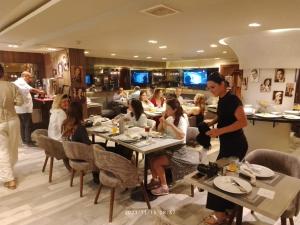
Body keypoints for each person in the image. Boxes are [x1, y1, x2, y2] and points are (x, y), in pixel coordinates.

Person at [204, 72, 248, 225]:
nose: (211, 90)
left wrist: (219, 131)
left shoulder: (233, 99)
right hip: (227, 145)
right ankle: (227, 209)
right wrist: (212, 122)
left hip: (236, 146)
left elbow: (243, 122)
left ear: (223, 84)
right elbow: (224, 117)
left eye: (213, 87)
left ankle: (220, 214)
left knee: (218, 175)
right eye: (209, 88)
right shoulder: (222, 100)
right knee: (227, 176)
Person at [149, 98, 199, 196]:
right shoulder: (169, 117)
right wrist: (162, 121)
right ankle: (156, 181)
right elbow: (159, 131)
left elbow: (182, 136)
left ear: (174, 109)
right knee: (150, 157)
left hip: (179, 150)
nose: (166, 110)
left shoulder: (182, 119)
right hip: (169, 148)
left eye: (167, 108)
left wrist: (170, 125)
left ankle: (164, 187)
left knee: (156, 162)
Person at [61, 102, 99, 184]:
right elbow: (88, 144)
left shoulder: (65, 123)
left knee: (99, 145)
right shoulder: (80, 128)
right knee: (102, 147)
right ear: (79, 112)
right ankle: (97, 176)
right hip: (81, 156)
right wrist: (96, 145)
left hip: (72, 154)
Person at [0, 65, 24, 189]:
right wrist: (11, 103)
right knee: (13, 148)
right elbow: (20, 102)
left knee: (2, 150)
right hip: (13, 120)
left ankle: (9, 179)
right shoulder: (12, 86)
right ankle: (9, 173)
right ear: (2, 73)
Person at [14, 71, 44, 146]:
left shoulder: (17, 82)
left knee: (22, 124)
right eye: (29, 77)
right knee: (27, 124)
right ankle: (28, 141)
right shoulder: (21, 82)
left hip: (19, 108)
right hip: (23, 108)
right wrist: (41, 92)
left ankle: (24, 140)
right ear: (25, 76)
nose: (30, 79)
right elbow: (32, 90)